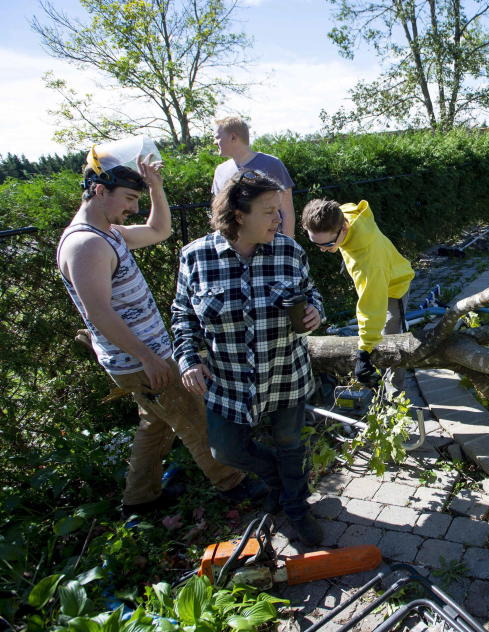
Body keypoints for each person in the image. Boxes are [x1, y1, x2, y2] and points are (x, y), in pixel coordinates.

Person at [57, 156, 266, 518]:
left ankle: (139, 499)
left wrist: (155, 187)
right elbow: (99, 313)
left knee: (154, 425)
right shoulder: (85, 245)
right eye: (127, 199)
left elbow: (158, 231)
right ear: (98, 190)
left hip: (142, 356)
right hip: (141, 360)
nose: (132, 209)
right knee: (194, 417)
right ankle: (235, 485)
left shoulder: (107, 233)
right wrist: (149, 359)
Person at [171, 171, 326, 546]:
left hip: (285, 373)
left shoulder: (289, 252)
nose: (279, 219)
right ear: (239, 214)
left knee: (290, 441)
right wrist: (188, 360)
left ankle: (295, 505)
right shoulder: (196, 257)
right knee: (225, 449)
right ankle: (281, 482)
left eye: (279, 211)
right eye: (270, 211)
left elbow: (312, 293)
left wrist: (315, 311)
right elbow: (182, 316)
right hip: (228, 381)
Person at [301, 198, 414, 393]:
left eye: (327, 243)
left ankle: (395, 395)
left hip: (393, 287)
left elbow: (371, 307)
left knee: (392, 340)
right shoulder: (343, 216)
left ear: (343, 229)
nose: (322, 249)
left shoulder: (369, 263)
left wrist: (364, 352)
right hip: (376, 276)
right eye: (315, 243)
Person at [212, 116, 296, 237]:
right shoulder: (220, 171)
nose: (215, 142)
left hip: (270, 246)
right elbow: (218, 215)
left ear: (233, 137)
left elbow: (287, 211)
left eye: (217, 137)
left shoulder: (272, 164)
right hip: (233, 248)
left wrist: (288, 247)